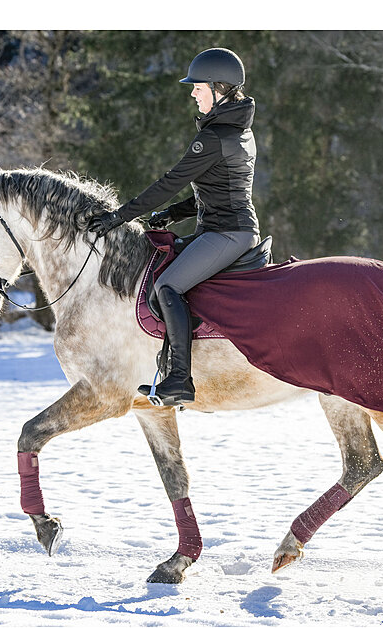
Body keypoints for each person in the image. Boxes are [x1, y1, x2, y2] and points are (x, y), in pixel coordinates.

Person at [88, 47, 261, 406]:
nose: (192, 93)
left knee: (167, 285)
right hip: (229, 227)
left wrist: (118, 217)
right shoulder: (237, 131)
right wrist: (172, 215)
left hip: (226, 234)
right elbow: (220, 189)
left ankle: (180, 379)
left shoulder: (213, 138)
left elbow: (169, 182)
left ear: (219, 88)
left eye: (198, 87)